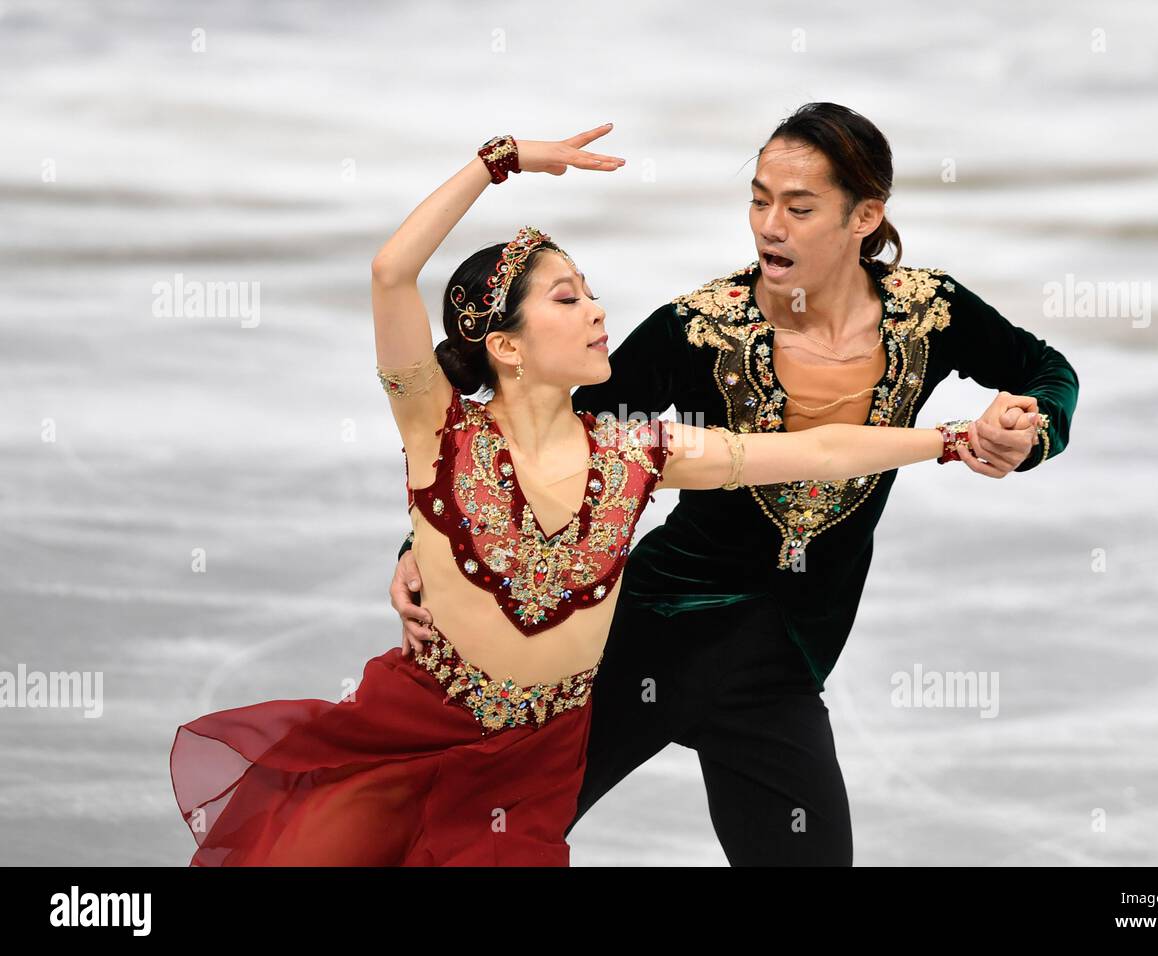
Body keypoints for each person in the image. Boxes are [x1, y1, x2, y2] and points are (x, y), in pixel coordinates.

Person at [168, 123, 995, 867]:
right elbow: (391, 272)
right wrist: (501, 161)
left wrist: (950, 440)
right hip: (420, 727)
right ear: (506, 346)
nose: (600, 311)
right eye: (569, 299)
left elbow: (814, 449)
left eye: (593, 292)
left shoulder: (636, 452)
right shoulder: (442, 431)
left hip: (536, 760)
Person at [388, 103, 1082, 866]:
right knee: (478, 844)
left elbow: (1045, 372)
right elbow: (534, 441)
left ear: (865, 216)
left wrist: (1028, 428)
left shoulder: (930, 314)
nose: (769, 225)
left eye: (799, 206)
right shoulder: (697, 328)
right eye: (758, 199)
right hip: (646, 640)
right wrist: (425, 547)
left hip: (781, 663)